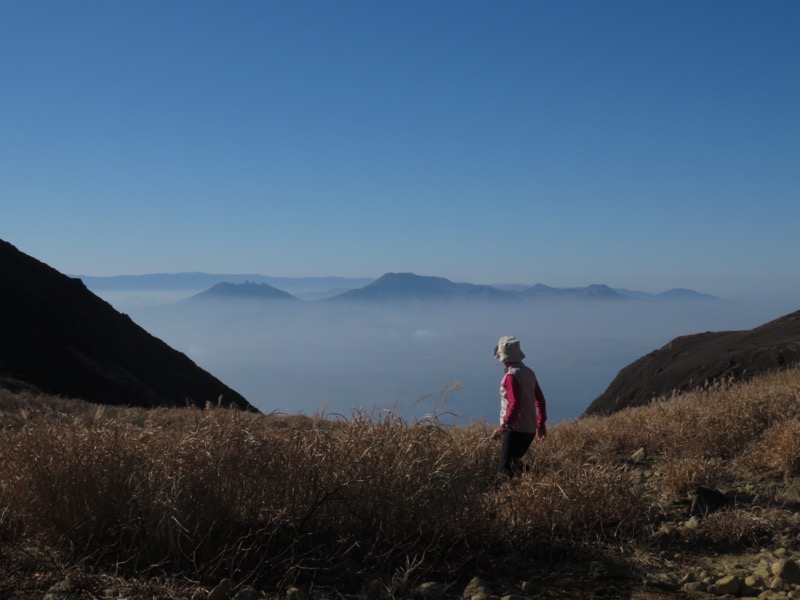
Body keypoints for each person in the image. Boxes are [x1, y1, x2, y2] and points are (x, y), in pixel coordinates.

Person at [491, 336, 547, 477]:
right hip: (530, 429)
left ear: (503, 358)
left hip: (515, 430)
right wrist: (541, 425)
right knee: (514, 464)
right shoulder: (529, 372)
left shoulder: (511, 376)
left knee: (504, 471)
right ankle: (539, 475)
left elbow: (515, 403)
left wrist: (504, 426)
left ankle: (539, 474)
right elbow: (540, 400)